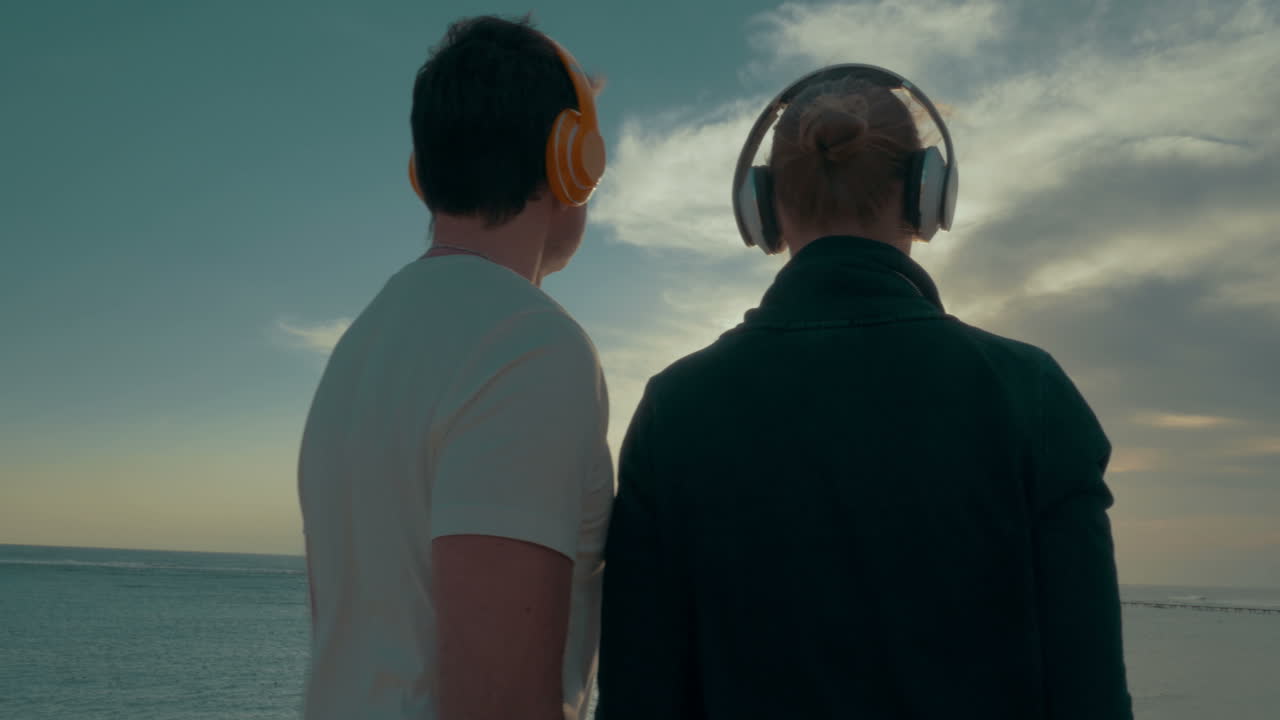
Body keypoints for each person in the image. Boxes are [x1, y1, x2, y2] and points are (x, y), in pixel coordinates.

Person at [597, 67, 1134, 719]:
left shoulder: (673, 410)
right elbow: (1093, 699)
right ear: (926, 195)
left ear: (763, 207)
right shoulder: (1033, 395)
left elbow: (637, 701)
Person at [297, 15, 612, 720]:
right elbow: (495, 702)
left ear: (425, 172)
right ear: (572, 160)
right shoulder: (529, 345)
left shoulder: (361, 345)